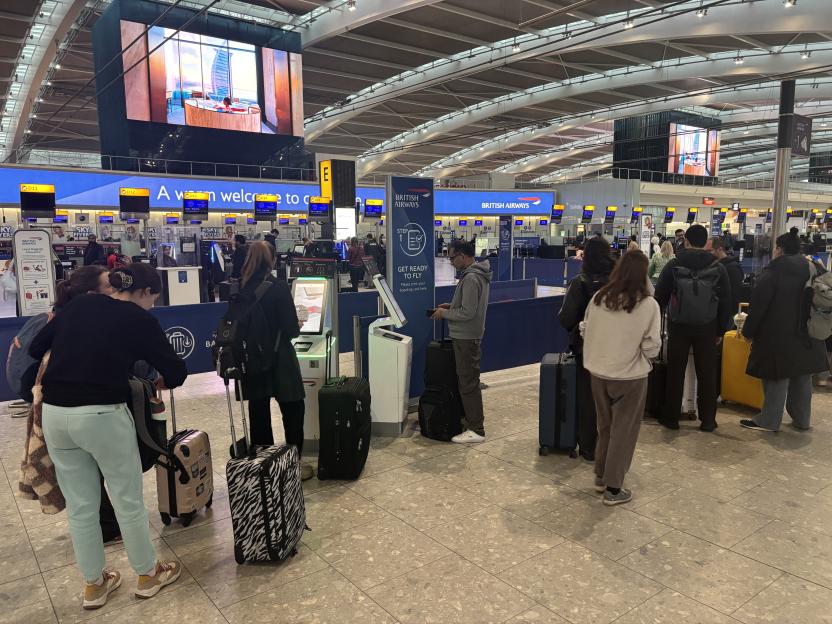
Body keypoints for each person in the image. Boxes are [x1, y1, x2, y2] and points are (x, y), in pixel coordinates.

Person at [29, 263, 188, 609]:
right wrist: (157, 379)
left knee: (82, 506)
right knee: (127, 499)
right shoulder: (138, 318)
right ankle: (148, 574)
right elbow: (176, 371)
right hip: (102, 414)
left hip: (56, 415)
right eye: (153, 300)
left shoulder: (79, 305)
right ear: (144, 293)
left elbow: (35, 347)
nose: (152, 307)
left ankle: (94, 584)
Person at [582, 250, 661, 505]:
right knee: (623, 432)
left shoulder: (598, 297)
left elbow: (585, 328)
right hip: (630, 378)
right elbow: (652, 346)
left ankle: (601, 476)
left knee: (604, 427)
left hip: (598, 372)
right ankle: (614, 489)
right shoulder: (648, 305)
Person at [231, 242, 311, 479]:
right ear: (272, 261)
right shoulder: (277, 287)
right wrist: (297, 325)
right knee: (294, 408)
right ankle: (292, 463)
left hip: (250, 361)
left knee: (258, 411)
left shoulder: (239, 288)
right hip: (279, 358)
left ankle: (265, 465)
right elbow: (290, 329)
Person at [740, 230, 829, 432]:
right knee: (802, 376)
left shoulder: (773, 271)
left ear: (779, 249)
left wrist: (748, 331)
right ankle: (802, 420)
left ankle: (769, 421)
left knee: (776, 377)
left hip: (778, 335)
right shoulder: (814, 267)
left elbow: (759, 305)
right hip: (808, 332)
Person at [654, 224, 732, 431]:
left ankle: (671, 418)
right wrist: (720, 331)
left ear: (686, 241)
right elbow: (726, 301)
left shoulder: (674, 264)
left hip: (678, 326)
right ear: (706, 242)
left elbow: (659, 297)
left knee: (675, 371)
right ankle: (708, 420)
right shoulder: (718, 267)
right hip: (707, 327)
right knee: (707, 373)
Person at [558, 237, 616, 460]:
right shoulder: (619, 281)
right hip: (618, 348)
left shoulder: (580, 282)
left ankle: (590, 448)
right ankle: (611, 446)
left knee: (589, 398)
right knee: (614, 399)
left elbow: (566, 318)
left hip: (588, 348)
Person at [431, 240, 492, 443]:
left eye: (452, 257)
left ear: (463, 256)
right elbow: (466, 306)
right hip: (466, 335)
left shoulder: (472, 278)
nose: (451, 262)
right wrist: (451, 305)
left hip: (467, 337)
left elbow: (468, 312)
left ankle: (476, 429)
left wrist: (445, 313)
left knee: (468, 383)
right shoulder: (473, 276)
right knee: (467, 380)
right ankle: (471, 422)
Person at [710, 237, 743, 312]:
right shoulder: (713, 266)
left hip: (726, 315)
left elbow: (734, 297)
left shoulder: (732, 268)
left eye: (710, 250)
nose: (707, 253)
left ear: (720, 249)